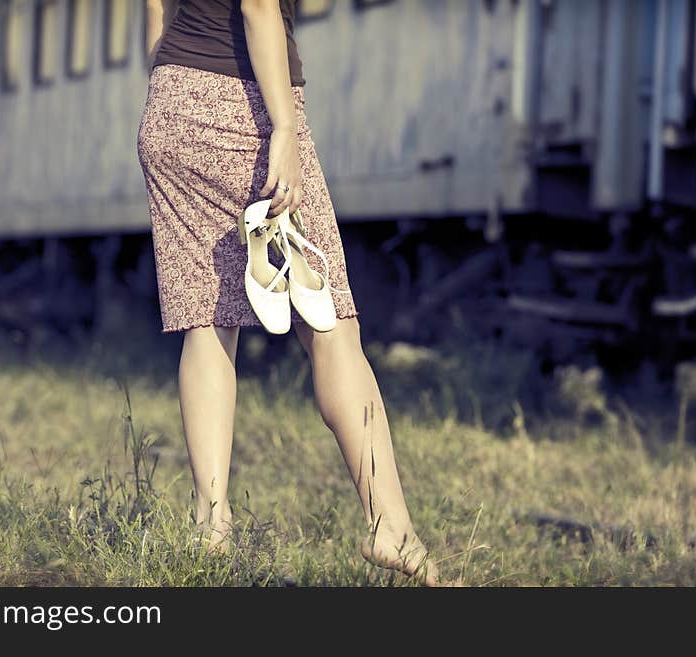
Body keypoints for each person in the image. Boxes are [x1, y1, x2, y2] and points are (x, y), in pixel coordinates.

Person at [137, 0, 440, 586]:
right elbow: (256, 6)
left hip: (169, 105)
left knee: (207, 321)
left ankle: (212, 524)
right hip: (245, 107)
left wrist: (168, 81)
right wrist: (283, 128)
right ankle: (390, 528)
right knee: (331, 325)